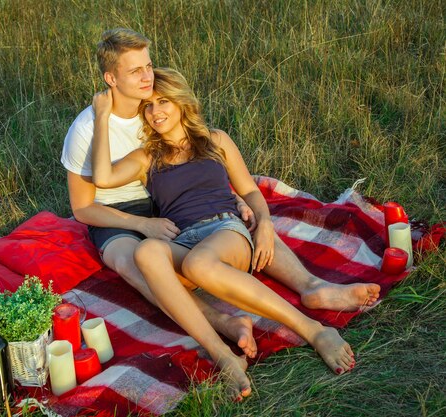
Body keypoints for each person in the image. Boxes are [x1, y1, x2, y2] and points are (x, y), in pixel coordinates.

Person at [90, 67, 379, 399]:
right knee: (146, 252)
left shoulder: (216, 140)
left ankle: (314, 331)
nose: (156, 113)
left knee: (200, 264)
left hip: (225, 229)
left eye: (164, 101)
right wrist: (101, 115)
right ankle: (223, 355)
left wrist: (265, 224)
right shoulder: (147, 157)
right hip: (184, 240)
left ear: (182, 101)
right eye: (149, 106)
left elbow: (250, 191)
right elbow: (102, 177)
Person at [61, 28, 258, 357]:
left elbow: (193, 159)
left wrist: (233, 195)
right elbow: (82, 208)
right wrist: (140, 225)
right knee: (130, 261)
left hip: (165, 201)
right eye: (135, 71)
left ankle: (309, 287)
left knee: (244, 219)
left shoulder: (152, 110)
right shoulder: (86, 129)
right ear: (111, 78)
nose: (147, 77)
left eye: (148, 66)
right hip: (113, 214)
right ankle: (222, 323)